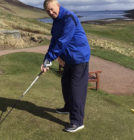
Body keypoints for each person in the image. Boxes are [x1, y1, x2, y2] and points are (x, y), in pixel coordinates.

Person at [41, 0, 90, 132]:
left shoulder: (69, 17)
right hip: (69, 59)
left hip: (79, 58)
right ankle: (68, 107)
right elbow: (54, 41)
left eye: (52, 9)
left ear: (58, 5)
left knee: (76, 89)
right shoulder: (57, 20)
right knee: (65, 83)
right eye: (48, 11)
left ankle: (77, 122)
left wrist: (51, 58)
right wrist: (46, 59)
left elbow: (62, 42)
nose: (51, 12)